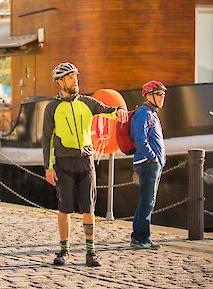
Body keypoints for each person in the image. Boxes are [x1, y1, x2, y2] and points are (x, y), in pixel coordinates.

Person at [42, 62, 128, 267]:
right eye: (71, 78)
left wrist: (120, 110)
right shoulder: (52, 108)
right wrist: (48, 167)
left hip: (86, 161)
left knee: (88, 208)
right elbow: (47, 139)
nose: (75, 81)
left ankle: (91, 252)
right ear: (60, 82)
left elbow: (108, 110)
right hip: (63, 163)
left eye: (76, 77)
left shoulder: (88, 102)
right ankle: (64, 251)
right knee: (64, 208)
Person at [130, 80, 167, 250]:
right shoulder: (144, 113)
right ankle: (142, 238)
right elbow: (140, 139)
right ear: (149, 95)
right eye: (159, 94)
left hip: (151, 164)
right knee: (147, 201)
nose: (162, 97)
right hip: (147, 164)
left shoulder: (152, 113)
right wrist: (153, 158)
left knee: (146, 200)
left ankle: (138, 236)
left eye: (163, 94)